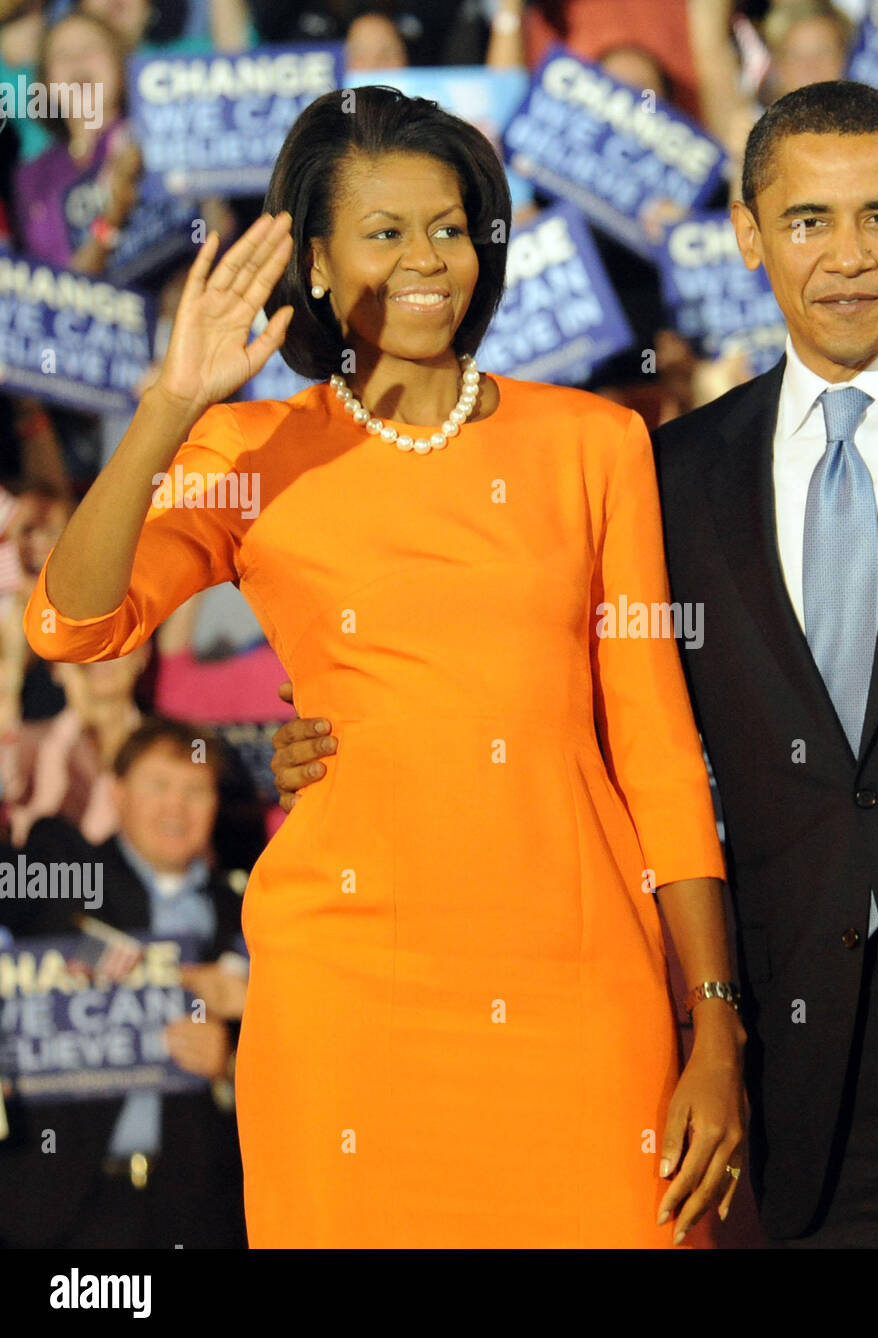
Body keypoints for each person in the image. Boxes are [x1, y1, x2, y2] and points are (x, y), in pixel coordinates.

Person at [276, 80, 878, 1249]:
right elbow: (592, 719)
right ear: (749, 235)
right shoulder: (675, 472)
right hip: (812, 1081)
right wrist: (347, 737)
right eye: (807, 222)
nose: (845, 257)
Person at [23, 85, 745, 1248]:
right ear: (315, 261)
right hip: (348, 998)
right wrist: (167, 405)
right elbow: (71, 625)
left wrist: (714, 1021)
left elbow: (658, 751)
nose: (426, 260)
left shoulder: (595, 445)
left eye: (450, 229)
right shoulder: (252, 449)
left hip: (576, 990)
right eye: (385, 232)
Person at [0, 718, 247, 1249]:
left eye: (195, 790)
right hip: (59, 1213)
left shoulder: (250, 917)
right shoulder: (64, 875)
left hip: (196, 1213)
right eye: (159, 785)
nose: (175, 808)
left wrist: (229, 1065)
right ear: (116, 792)